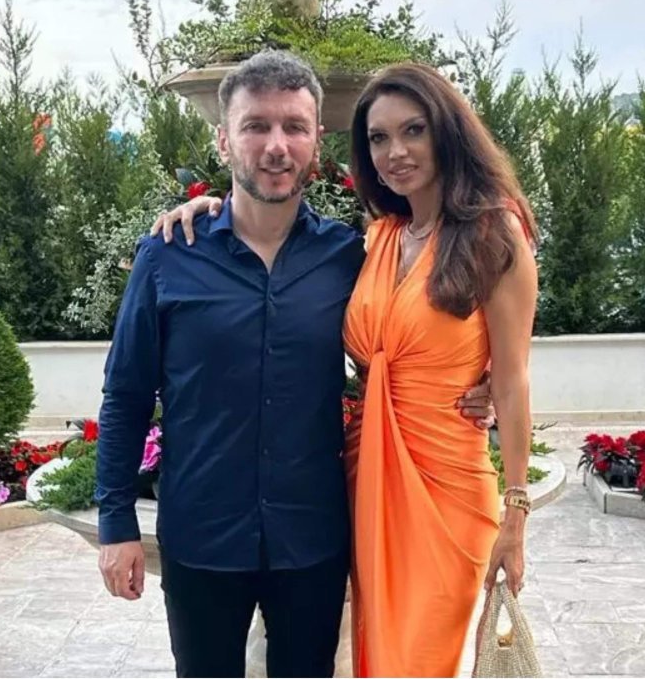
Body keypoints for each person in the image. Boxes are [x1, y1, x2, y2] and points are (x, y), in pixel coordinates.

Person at [100, 51, 493, 678]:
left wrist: (485, 376)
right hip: (202, 535)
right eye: (256, 126)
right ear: (223, 140)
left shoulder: (353, 255)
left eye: (294, 127)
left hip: (311, 540)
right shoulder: (169, 254)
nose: (276, 146)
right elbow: (125, 395)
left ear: (317, 142)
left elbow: (437, 307)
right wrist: (116, 523)